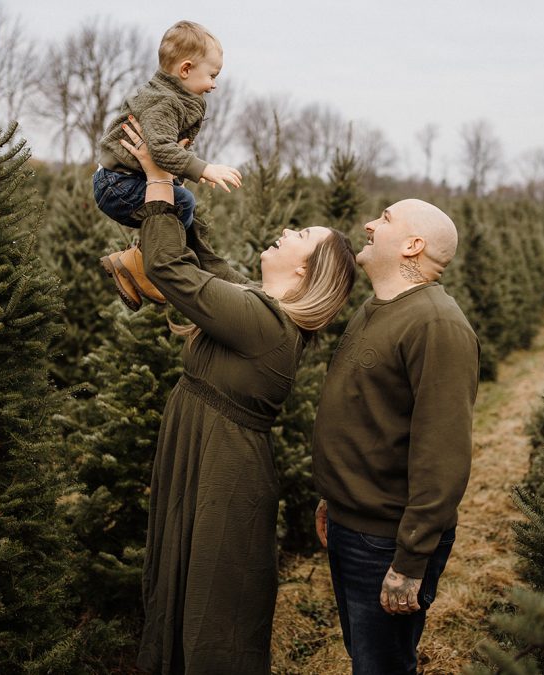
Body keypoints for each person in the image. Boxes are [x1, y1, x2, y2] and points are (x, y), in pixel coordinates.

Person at [101, 117, 356, 674]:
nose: (287, 232)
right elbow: (201, 258)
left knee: (216, 608)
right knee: (180, 585)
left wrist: (159, 183)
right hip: (200, 451)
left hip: (225, 468)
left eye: (302, 237)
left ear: (308, 270)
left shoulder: (266, 323)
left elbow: (170, 268)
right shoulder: (255, 302)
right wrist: (166, 170)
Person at [312, 199, 480, 674]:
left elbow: (442, 455)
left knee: (382, 666)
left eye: (384, 219)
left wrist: (410, 561)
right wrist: (335, 501)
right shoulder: (374, 310)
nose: (368, 224)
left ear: (412, 245)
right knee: (364, 657)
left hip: (387, 541)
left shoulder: (437, 325)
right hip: (352, 524)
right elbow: (368, 420)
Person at [93, 20, 241, 241]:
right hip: (117, 184)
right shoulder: (163, 101)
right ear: (186, 69)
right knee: (184, 203)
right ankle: (163, 258)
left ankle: (171, 254)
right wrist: (204, 168)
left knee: (187, 210)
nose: (214, 85)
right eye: (212, 76)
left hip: (128, 180)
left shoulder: (173, 97)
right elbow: (161, 149)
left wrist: (181, 173)